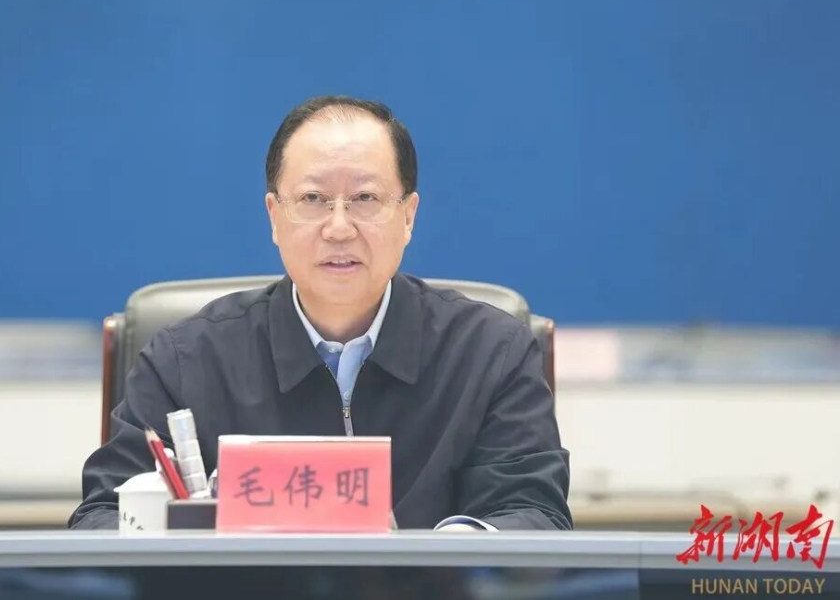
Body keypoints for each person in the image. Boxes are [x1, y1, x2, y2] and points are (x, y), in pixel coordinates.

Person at [70, 95, 572, 531]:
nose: (338, 227)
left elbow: (534, 514)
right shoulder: (184, 360)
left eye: (365, 198)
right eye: (313, 199)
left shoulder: (491, 353)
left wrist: (444, 553)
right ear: (274, 216)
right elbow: (102, 517)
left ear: (408, 215)